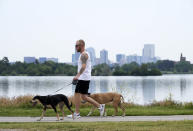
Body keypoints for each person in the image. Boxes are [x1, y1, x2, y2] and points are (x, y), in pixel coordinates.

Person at [68, 39, 105, 119]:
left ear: (81, 46)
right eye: (75, 45)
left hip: (83, 78)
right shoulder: (83, 54)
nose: (75, 47)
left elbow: (84, 67)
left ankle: (77, 114)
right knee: (84, 97)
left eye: (77, 45)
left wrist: (77, 76)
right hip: (84, 78)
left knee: (77, 94)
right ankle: (100, 106)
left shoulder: (84, 55)